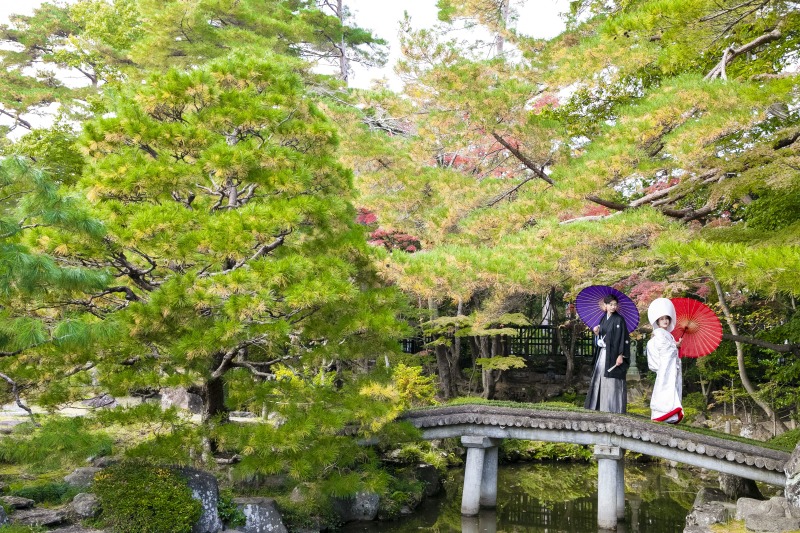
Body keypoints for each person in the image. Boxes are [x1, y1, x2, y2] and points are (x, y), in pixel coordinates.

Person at [584, 294, 631, 413]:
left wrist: (621, 355)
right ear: (605, 305)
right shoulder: (603, 319)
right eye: (610, 304)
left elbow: (623, 338)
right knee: (600, 377)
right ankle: (599, 406)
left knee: (612, 380)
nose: (613, 307)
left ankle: (612, 407)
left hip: (614, 354)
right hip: (603, 353)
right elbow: (602, 336)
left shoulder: (619, 319)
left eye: (615, 305)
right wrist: (597, 333)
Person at [646, 297, 683, 423]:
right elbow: (665, 350)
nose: (665, 321)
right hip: (665, 367)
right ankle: (661, 413)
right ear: (658, 321)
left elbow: (670, 349)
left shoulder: (668, 335)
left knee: (671, 388)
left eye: (667, 318)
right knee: (664, 389)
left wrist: (675, 345)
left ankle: (670, 415)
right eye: (662, 319)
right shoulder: (659, 333)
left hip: (671, 366)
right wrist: (675, 346)